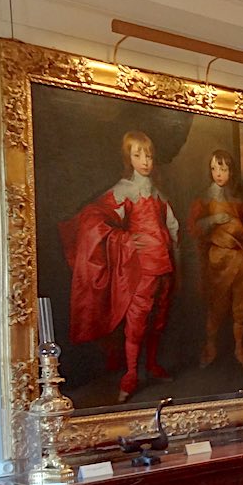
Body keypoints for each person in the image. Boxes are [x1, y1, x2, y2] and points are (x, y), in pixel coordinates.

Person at [61, 130, 178, 402]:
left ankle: (151, 365)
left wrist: (174, 250)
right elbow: (93, 220)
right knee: (137, 322)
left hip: (165, 266)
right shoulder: (123, 191)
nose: (146, 160)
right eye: (138, 155)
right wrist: (125, 239)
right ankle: (132, 374)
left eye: (148, 154)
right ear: (129, 158)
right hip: (143, 269)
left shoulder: (159, 194)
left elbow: (172, 227)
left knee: (158, 320)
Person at [189, 149, 243, 372]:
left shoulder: (240, 203)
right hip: (218, 259)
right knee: (216, 306)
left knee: (241, 306)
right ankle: (211, 346)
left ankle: (239, 348)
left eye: (224, 169)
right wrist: (213, 219)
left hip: (241, 260)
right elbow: (193, 229)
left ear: (231, 172)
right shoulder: (203, 201)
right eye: (215, 168)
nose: (219, 173)